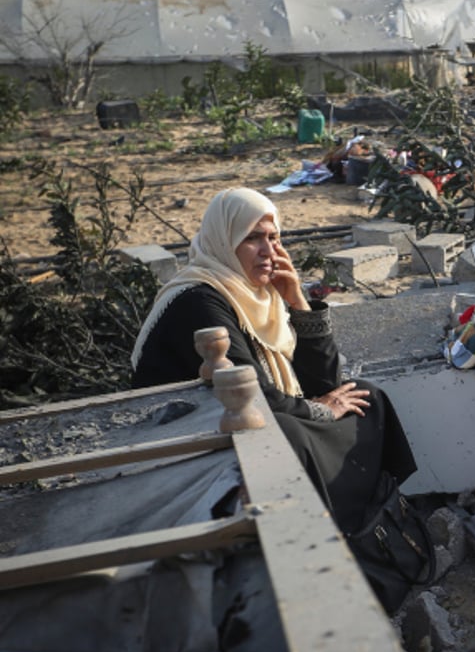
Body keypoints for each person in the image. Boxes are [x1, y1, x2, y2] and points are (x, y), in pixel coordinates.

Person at [131, 188, 418, 538]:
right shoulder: (198, 300)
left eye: (273, 237)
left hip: (243, 419)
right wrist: (322, 411)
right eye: (253, 238)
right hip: (189, 439)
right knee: (288, 432)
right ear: (224, 241)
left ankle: (378, 513)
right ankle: (332, 530)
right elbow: (252, 397)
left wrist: (297, 301)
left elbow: (323, 384)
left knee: (365, 398)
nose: (269, 251)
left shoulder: (260, 296)